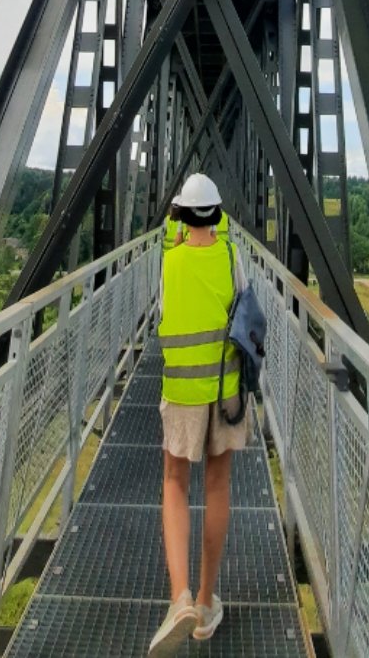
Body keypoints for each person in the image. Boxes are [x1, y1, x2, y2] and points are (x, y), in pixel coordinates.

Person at [148, 174, 248, 654]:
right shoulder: (232, 256)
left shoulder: (169, 262)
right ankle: (207, 604)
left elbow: (163, 313)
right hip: (226, 394)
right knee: (217, 487)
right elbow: (244, 309)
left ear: (182, 215)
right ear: (217, 214)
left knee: (174, 482)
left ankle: (180, 598)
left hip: (182, 393)